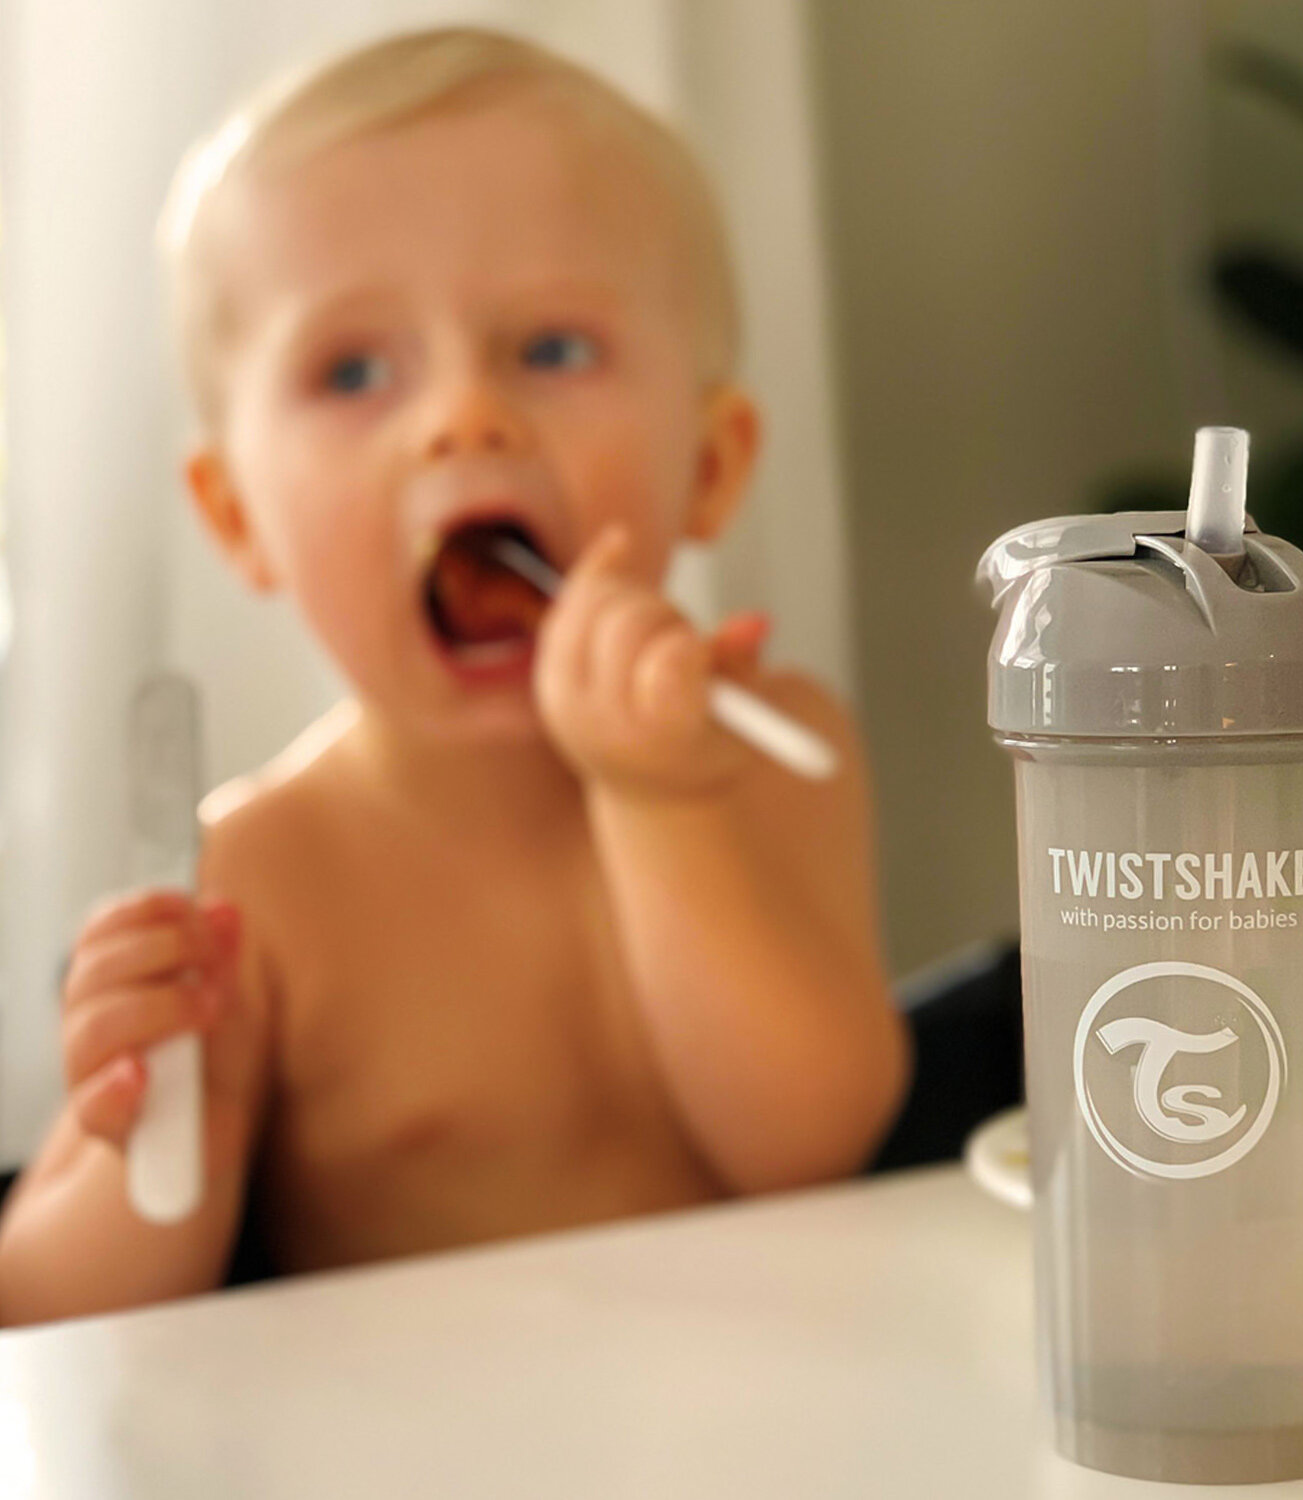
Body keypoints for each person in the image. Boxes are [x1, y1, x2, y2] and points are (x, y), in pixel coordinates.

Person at [0, 25, 910, 1326]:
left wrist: (660, 801)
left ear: (710, 467)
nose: (463, 418)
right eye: (354, 372)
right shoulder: (262, 875)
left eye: (551, 350)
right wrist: (157, 1115)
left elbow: (809, 1145)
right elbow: (44, 1311)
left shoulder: (761, 752)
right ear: (239, 518)